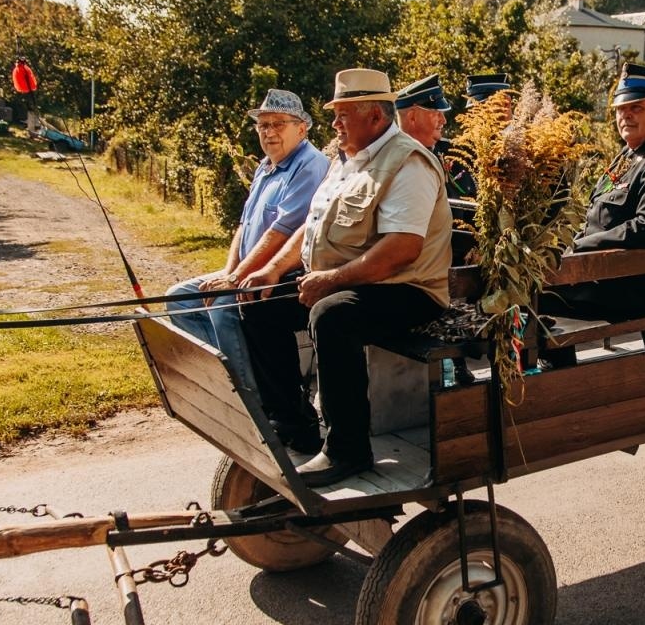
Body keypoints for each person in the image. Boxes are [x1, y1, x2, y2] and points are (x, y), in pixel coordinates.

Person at [237, 69, 453, 486]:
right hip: (353, 279)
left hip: (407, 288)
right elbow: (313, 223)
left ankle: (347, 450)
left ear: (375, 116)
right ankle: (294, 426)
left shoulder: (407, 161)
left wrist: (331, 280)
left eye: (343, 114)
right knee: (260, 303)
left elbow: (401, 249)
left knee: (332, 316)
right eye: (335, 114)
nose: (335, 123)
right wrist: (273, 269)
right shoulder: (346, 159)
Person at [543, 63, 645, 353]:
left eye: (636, 108)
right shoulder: (633, 152)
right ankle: (555, 373)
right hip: (614, 276)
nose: (625, 115)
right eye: (620, 109)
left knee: (535, 296)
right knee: (533, 286)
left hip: (639, 287)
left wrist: (579, 247)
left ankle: (554, 377)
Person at [164, 90, 329, 353]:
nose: (269, 132)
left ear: (301, 129)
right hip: (244, 271)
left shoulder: (310, 165)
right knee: (180, 299)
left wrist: (235, 279)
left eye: (278, 124)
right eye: (263, 125)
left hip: (282, 276)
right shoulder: (265, 166)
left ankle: (242, 378)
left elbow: (282, 232)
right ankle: (217, 370)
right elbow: (243, 225)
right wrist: (229, 273)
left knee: (223, 305)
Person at [396, 74, 477, 198]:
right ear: (412, 117)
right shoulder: (393, 160)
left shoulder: (454, 152)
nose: (443, 120)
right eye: (436, 113)